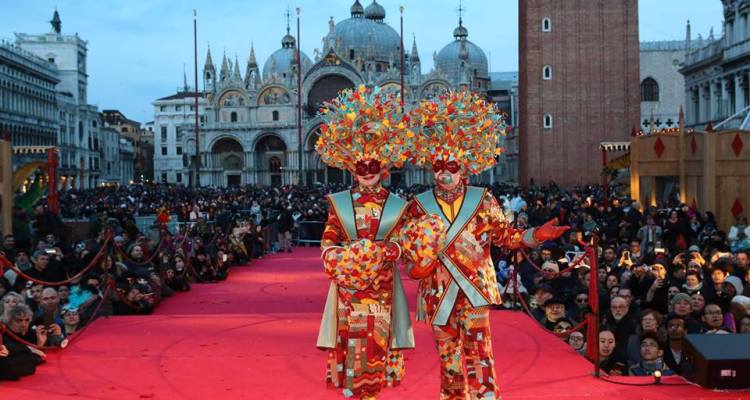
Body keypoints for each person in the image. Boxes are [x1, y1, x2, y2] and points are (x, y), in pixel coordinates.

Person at [402, 90, 567, 399]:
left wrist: (535, 236)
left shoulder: (483, 200)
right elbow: (410, 253)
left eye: (451, 166)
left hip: (473, 289)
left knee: (480, 357)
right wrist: (415, 268)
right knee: (449, 362)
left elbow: (506, 237)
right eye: (438, 165)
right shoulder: (418, 205)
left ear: (464, 167)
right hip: (437, 294)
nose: (444, 173)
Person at [315, 86, 414, 399]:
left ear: (383, 168)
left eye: (373, 167)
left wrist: (390, 250)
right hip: (348, 288)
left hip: (381, 288)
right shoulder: (339, 202)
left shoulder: (397, 204)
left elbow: (406, 241)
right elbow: (329, 239)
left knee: (375, 346)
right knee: (350, 345)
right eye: (361, 167)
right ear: (351, 168)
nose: (368, 173)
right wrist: (337, 258)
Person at [0, 304, 45, 380]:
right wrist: (29, 348)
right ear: (9, 321)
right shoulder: (3, 335)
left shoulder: (32, 333)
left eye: (27, 320)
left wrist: (40, 344)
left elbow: (41, 357)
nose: (24, 324)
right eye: (19, 320)